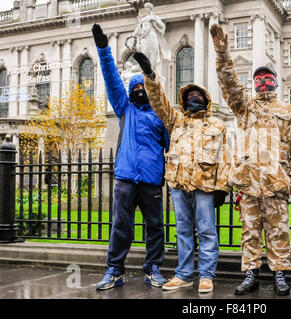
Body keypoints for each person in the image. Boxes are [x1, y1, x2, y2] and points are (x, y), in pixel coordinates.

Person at [210, 24, 291, 296]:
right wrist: (222, 52)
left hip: (276, 183)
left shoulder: (289, 111)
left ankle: (279, 275)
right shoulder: (244, 107)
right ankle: (251, 274)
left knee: (279, 232)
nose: (263, 82)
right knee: (249, 232)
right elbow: (229, 83)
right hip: (249, 183)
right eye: (258, 79)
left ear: (275, 82)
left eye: (267, 78)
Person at [133, 51, 230, 293]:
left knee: (207, 231)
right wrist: (150, 76)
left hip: (206, 185)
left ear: (205, 99)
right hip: (178, 184)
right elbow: (159, 101)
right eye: (189, 96)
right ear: (183, 100)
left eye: (197, 95)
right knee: (184, 230)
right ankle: (184, 274)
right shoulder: (175, 120)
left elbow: (226, 157)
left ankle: (206, 275)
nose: (193, 98)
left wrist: (223, 188)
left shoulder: (218, 125)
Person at [92, 24, 170, 290]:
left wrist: (149, 74)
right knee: (120, 226)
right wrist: (103, 50)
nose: (139, 90)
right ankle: (114, 270)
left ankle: (153, 268)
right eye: (135, 86)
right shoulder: (125, 108)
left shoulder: (160, 116)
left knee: (155, 228)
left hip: (150, 181)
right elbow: (112, 78)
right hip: (125, 178)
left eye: (143, 87)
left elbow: (171, 144)